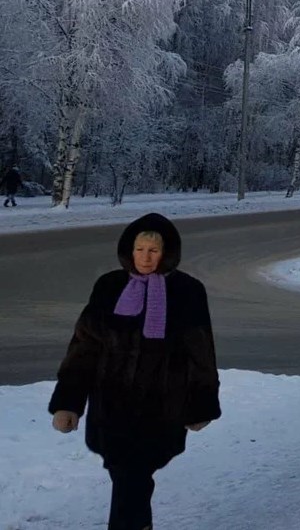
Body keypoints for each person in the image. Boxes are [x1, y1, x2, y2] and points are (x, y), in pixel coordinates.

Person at [49, 213, 221, 530]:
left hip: (162, 406)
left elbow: (201, 352)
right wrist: (68, 402)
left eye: (153, 251)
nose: (145, 257)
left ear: (167, 252)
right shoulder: (109, 286)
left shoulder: (187, 291)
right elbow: (84, 347)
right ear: (129, 250)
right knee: (128, 478)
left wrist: (202, 404)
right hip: (111, 406)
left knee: (133, 476)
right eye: (140, 249)